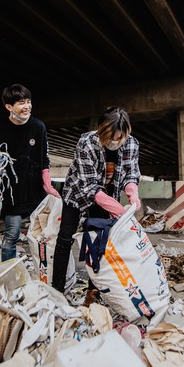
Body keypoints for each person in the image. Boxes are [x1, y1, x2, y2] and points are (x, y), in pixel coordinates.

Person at [51, 106, 141, 304]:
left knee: (97, 243)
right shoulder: (86, 142)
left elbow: (131, 173)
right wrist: (117, 209)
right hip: (76, 194)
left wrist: (132, 192)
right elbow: (90, 186)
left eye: (120, 138)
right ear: (101, 130)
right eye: (110, 138)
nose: (115, 142)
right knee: (65, 239)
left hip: (105, 197)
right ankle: (56, 291)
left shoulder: (131, 144)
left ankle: (93, 293)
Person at [0, 83, 60, 262]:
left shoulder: (38, 127)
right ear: (9, 107)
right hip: (12, 194)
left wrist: (47, 185)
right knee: (12, 235)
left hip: (35, 191)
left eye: (28, 101)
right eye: (21, 103)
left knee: (42, 235)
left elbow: (44, 159)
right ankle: (8, 271)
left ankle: (43, 270)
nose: (27, 106)